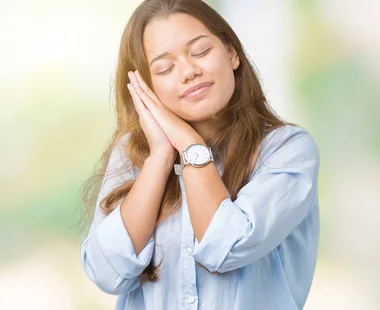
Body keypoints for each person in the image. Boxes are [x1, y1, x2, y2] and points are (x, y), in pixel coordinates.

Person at [78, 0, 320, 309]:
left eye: (201, 52)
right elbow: (106, 272)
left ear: (231, 53)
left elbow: (227, 247)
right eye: (165, 68)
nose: (190, 72)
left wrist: (191, 147)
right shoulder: (133, 156)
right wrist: (161, 156)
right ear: (146, 86)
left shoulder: (287, 149)